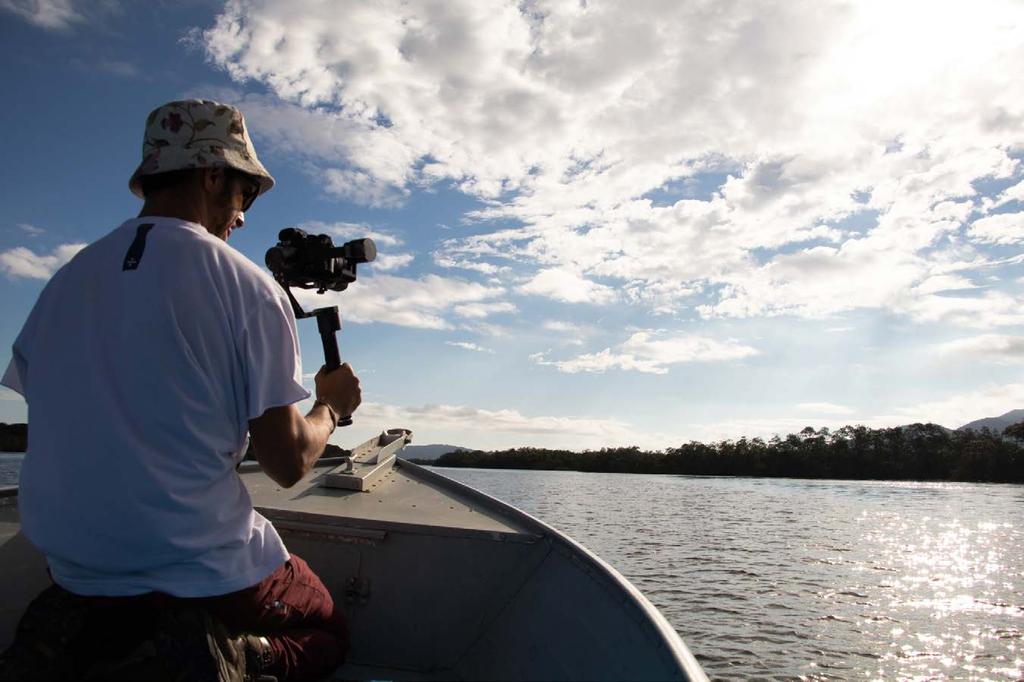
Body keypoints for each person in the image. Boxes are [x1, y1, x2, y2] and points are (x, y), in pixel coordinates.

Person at [0, 99, 361, 681]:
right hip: (203, 568)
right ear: (212, 174)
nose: (242, 216)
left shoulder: (63, 283)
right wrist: (330, 407)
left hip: (75, 564)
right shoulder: (248, 288)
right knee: (330, 631)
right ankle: (245, 656)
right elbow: (288, 463)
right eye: (245, 194)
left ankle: (99, 636)